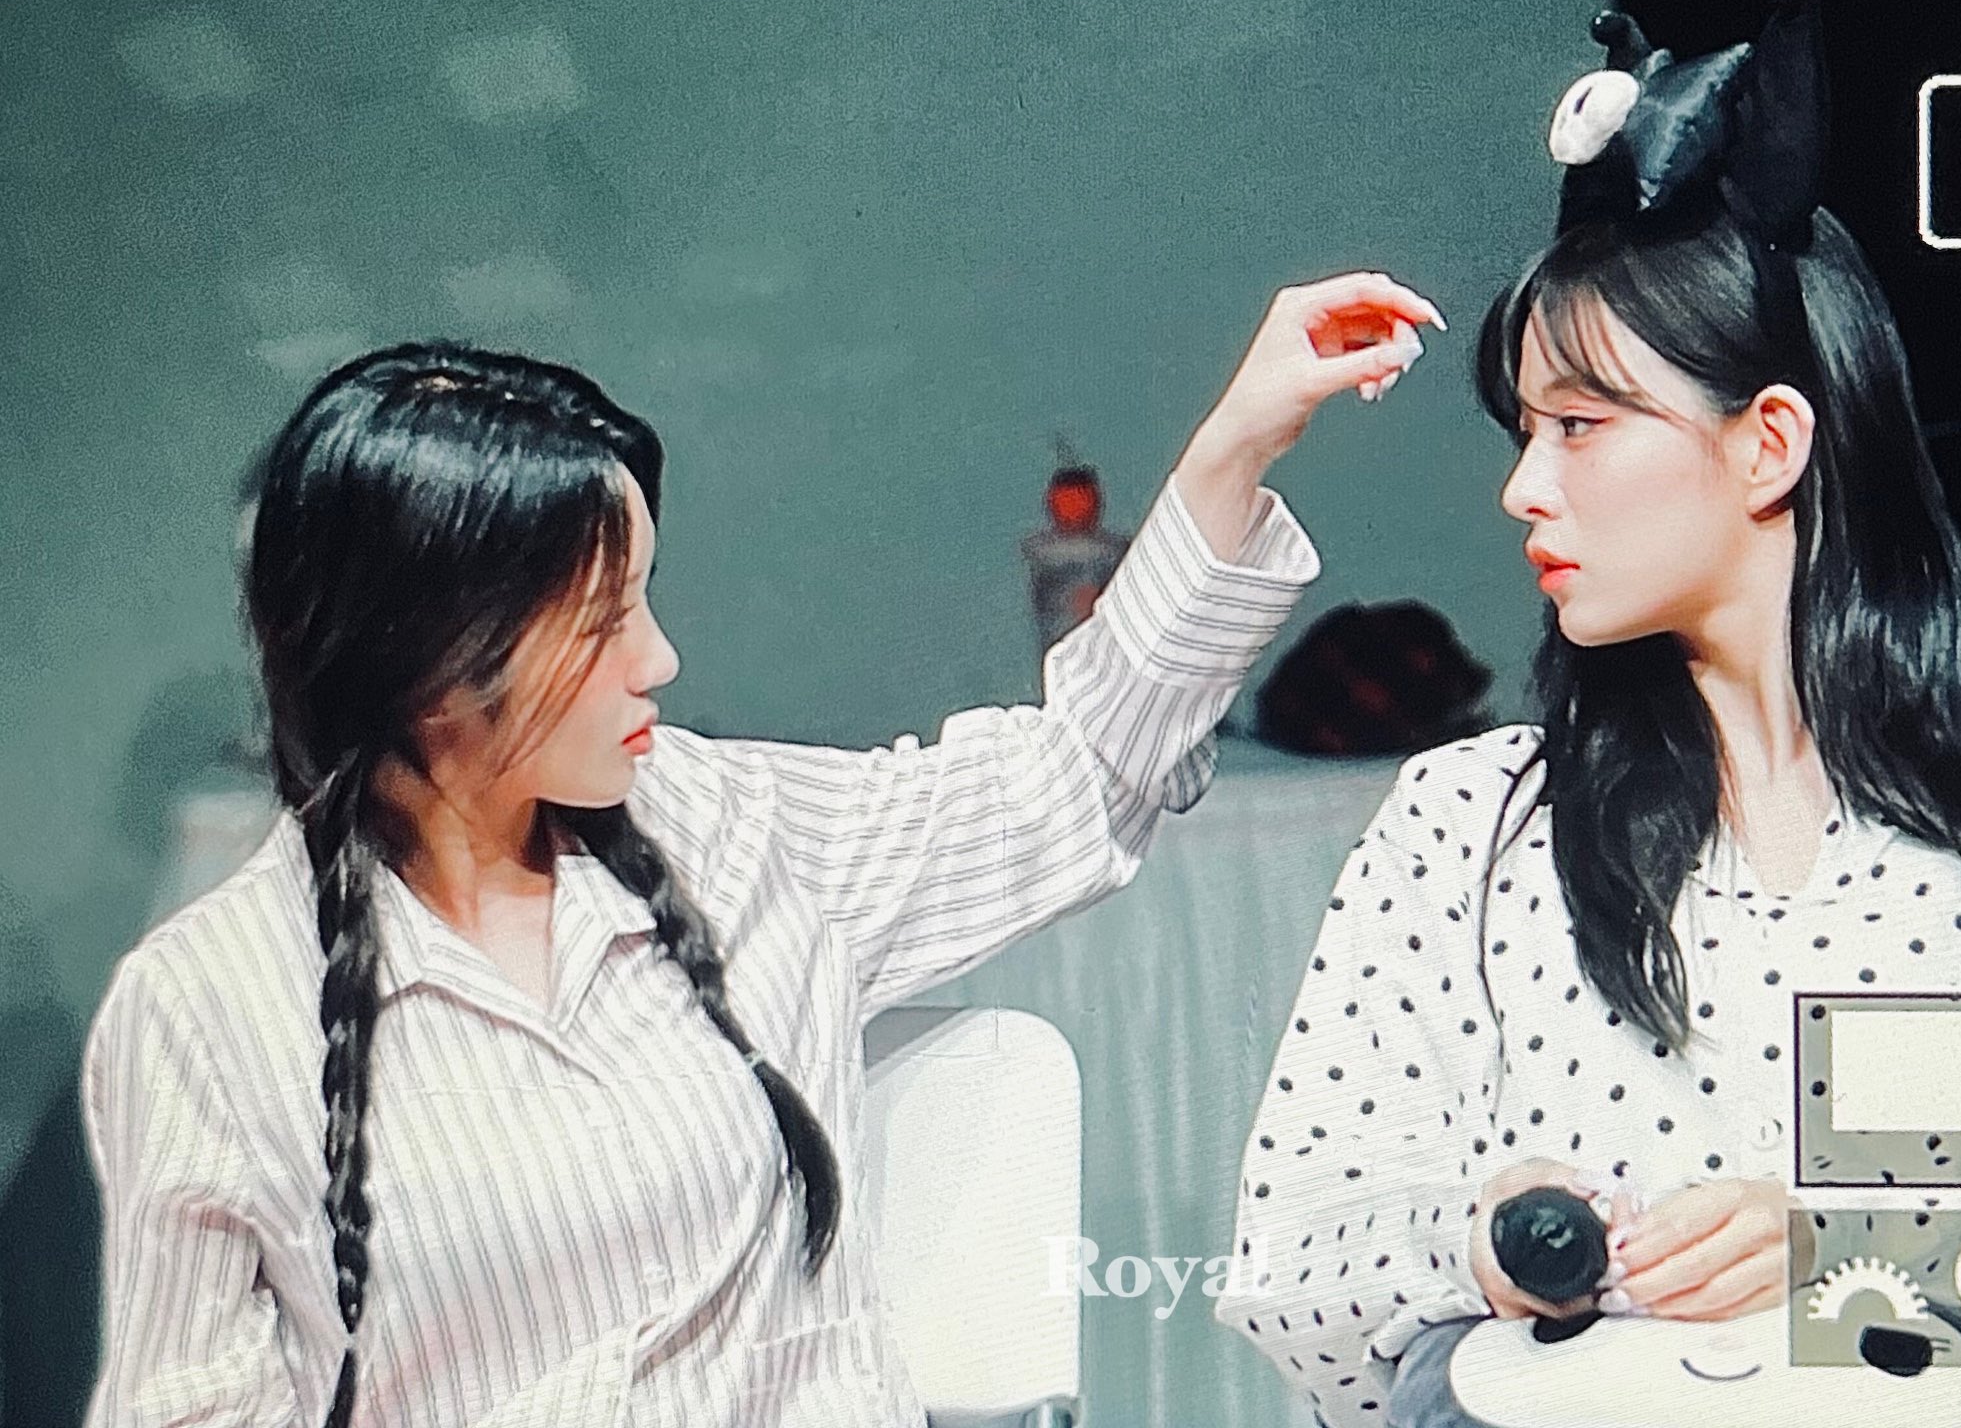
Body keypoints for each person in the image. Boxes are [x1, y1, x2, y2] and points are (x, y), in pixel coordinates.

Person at [80, 271, 1442, 1428]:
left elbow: (1069, 779)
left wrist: (1232, 449)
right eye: (603, 621)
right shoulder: (205, 1009)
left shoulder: (727, 831)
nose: (659, 659)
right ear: (433, 661)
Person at [1217, 0, 1961, 1428]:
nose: (1525, 487)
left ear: (1769, 445)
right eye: (1524, 432)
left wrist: (1836, 1240)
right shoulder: (1468, 823)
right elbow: (1290, 1266)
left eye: (1580, 426)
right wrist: (1486, 1240)